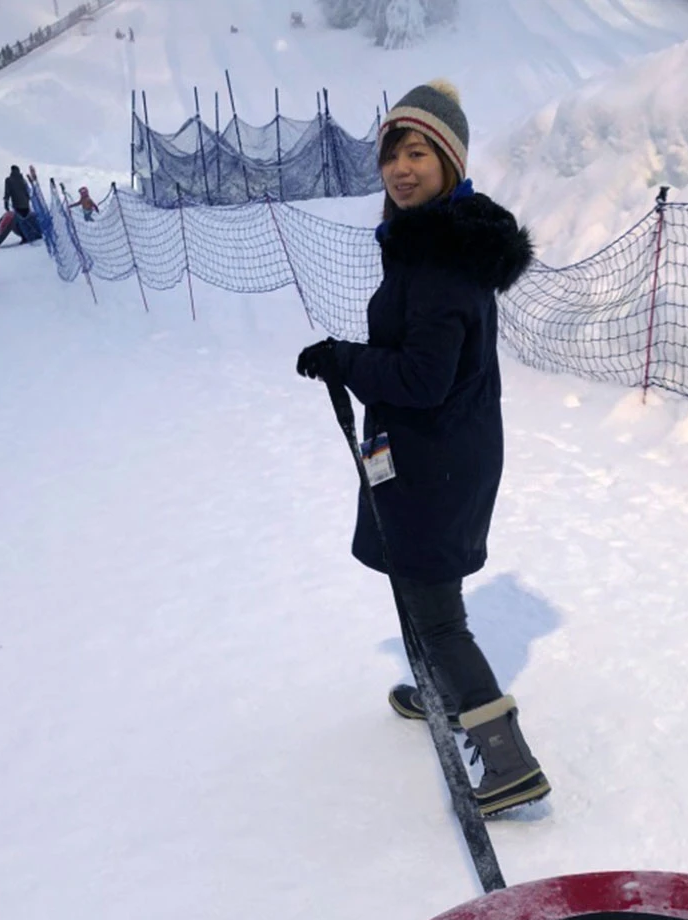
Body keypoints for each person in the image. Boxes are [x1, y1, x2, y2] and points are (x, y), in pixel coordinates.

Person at [292, 81, 547, 816]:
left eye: (416, 154)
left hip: (435, 454)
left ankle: (508, 761)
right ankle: (438, 689)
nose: (400, 170)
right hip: (436, 449)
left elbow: (422, 376)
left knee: (436, 611)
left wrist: (344, 359)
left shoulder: (438, 258)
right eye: (390, 156)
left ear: (448, 160)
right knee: (416, 580)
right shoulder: (432, 241)